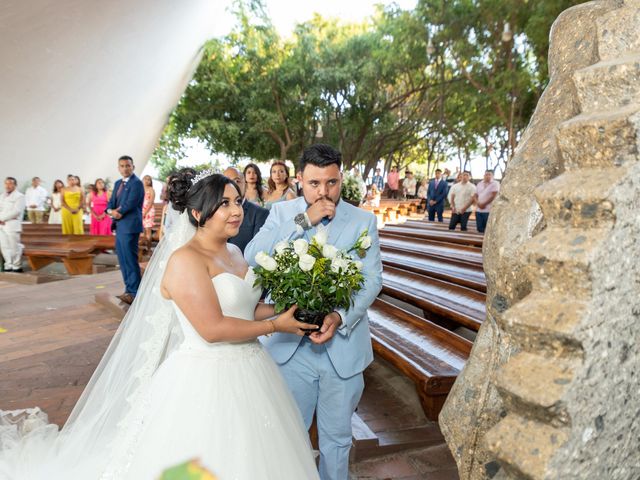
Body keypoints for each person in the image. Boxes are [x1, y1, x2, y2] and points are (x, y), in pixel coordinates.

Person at [0, 170, 320, 479]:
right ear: (197, 213)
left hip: (252, 368)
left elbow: (244, 310)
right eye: (224, 204)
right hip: (207, 376)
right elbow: (213, 329)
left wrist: (283, 310)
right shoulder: (185, 261)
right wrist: (277, 325)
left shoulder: (235, 252)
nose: (236, 210)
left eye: (237, 201)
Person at [245, 144, 383, 480]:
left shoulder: (363, 220)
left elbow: (371, 280)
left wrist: (338, 317)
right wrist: (303, 220)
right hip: (290, 348)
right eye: (314, 184)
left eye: (332, 183)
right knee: (290, 435)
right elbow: (252, 255)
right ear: (300, 180)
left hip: (343, 348)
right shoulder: (280, 213)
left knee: (337, 438)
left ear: (341, 178)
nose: (324, 192)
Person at [106, 155, 145, 305]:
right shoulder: (117, 183)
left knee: (130, 259)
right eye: (122, 166)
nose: (125, 168)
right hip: (120, 226)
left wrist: (118, 212)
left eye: (128, 165)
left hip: (130, 226)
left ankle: (135, 292)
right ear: (118, 168)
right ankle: (128, 290)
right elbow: (110, 203)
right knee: (122, 260)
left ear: (133, 167)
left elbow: (131, 202)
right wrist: (110, 211)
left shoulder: (137, 183)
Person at [223, 167, 269, 253]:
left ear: (245, 183)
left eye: (237, 181)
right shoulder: (215, 212)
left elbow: (258, 251)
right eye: (227, 181)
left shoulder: (260, 214)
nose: (232, 185)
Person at [0, 177, 26, 272]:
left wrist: (2, 218)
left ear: (15, 185)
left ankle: (16, 265)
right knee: (4, 246)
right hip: (2, 225)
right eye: (6, 183)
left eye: (10, 183)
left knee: (14, 246)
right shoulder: (2, 196)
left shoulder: (19, 196)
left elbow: (16, 211)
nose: (8, 185)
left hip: (12, 224)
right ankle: (8, 264)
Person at [475, 169, 500, 234]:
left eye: (489, 174)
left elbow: (494, 195)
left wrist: (483, 204)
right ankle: (478, 243)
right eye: (486, 174)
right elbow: (475, 195)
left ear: (492, 176)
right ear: (484, 175)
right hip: (479, 210)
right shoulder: (479, 183)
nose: (487, 176)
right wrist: (478, 203)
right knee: (479, 228)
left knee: (488, 229)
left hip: (489, 210)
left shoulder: (495, 183)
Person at [142, 175, 156, 249]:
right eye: (145, 179)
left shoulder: (151, 190)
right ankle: (142, 248)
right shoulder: (139, 189)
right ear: (142, 180)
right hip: (140, 211)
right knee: (141, 231)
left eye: (149, 179)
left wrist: (144, 213)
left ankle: (149, 249)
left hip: (149, 211)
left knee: (148, 230)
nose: (147, 181)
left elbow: (150, 202)